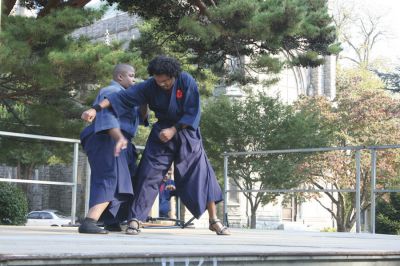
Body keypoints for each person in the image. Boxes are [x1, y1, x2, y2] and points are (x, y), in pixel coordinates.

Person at [81, 55, 230, 235]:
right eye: (158, 81)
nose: (162, 85)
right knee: (147, 174)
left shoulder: (186, 81)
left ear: (173, 76)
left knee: (200, 173)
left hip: (186, 131)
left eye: (165, 81)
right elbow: (120, 98)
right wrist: (95, 109)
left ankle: (214, 220)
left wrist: (173, 130)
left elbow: (192, 112)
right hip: (160, 132)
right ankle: (135, 219)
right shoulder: (150, 85)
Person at [78, 63, 147, 234]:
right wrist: (119, 138)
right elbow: (106, 116)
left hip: (121, 140)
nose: (134, 79)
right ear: (120, 77)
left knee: (126, 179)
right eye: (131, 75)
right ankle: (89, 221)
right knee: (110, 176)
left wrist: (144, 99)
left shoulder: (129, 96)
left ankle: (111, 220)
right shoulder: (112, 91)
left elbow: (142, 117)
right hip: (107, 137)